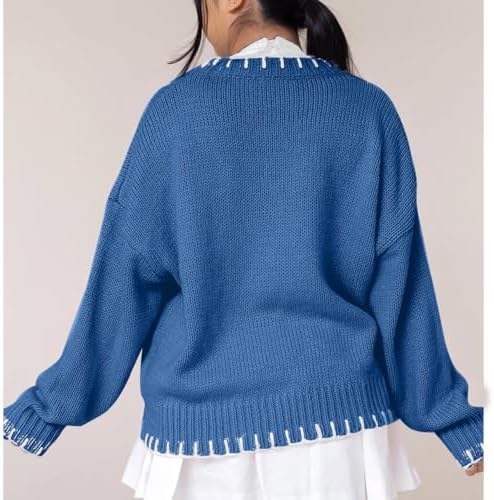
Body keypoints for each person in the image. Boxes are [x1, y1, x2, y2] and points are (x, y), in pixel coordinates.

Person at [4, 0, 484, 498]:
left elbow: (124, 280)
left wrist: (49, 407)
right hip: (340, 437)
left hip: (201, 444)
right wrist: (453, 420)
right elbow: (402, 285)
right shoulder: (368, 110)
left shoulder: (176, 112)